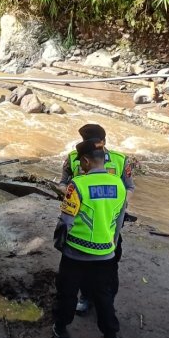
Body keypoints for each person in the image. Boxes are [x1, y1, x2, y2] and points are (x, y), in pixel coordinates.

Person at [53, 140, 126, 338]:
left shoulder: (78, 185)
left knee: (67, 293)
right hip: (105, 254)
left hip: (75, 253)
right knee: (104, 299)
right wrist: (112, 244)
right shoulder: (119, 184)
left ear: (85, 160)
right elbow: (119, 221)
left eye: (81, 162)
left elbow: (66, 221)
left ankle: (60, 330)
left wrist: (60, 244)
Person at [62, 124, 135, 314]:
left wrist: (117, 205)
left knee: (109, 266)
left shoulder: (120, 160)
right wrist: (71, 195)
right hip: (82, 224)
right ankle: (86, 297)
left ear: (103, 142)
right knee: (82, 267)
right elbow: (63, 183)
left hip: (109, 224)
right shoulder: (74, 158)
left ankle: (106, 302)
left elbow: (129, 187)